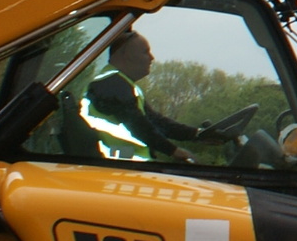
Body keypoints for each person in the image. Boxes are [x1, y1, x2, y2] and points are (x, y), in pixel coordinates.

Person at [80, 32, 215, 163]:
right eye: (145, 52)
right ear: (126, 55)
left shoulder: (122, 83)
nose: (152, 58)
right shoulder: (111, 83)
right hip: (117, 168)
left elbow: (156, 122)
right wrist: (173, 151)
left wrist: (196, 134)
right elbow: (137, 125)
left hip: (125, 165)